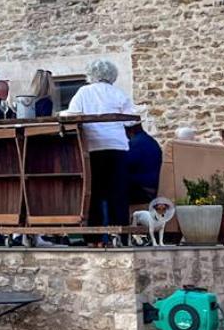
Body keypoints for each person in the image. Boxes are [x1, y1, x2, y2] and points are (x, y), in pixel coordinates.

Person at [64, 60, 138, 239]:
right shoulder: (118, 93)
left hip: (94, 145)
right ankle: (120, 235)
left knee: (94, 192)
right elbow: (132, 120)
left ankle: (94, 237)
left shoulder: (84, 92)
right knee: (118, 192)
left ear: (91, 74)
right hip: (117, 145)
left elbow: (72, 114)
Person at [126, 119, 163, 203]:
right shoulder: (150, 140)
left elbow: (123, 165)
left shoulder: (135, 143)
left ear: (130, 130)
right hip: (153, 186)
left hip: (144, 190)